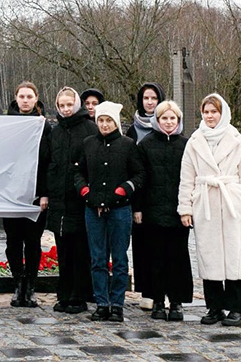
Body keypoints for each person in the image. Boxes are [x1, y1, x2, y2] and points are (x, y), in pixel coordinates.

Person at [178, 94, 241, 327]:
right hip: (205, 203)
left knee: (235, 256)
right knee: (209, 255)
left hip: (231, 201)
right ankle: (214, 306)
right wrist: (185, 208)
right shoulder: (194, 141)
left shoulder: (237, 140)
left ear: (223, 113)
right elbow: (187, 178)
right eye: (206, 112)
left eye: (214, 112)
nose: (210, 116)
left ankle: (237, 307)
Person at [76, 101, 144, 323]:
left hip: (119, 210)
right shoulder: (88, 144)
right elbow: (78, 173)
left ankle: (117, 304)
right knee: (98, 259)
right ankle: (102, 303)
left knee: (120, 259)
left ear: (115, 122)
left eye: (108, 121)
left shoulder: (128, 145)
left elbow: (139, 174)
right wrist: (85, 191)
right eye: (101, 121)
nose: (104, 125)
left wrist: (124, 189)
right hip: (93, 209)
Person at [134, 100, 193, 321]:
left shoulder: (186, 145)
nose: (168, 122)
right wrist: (138, 208)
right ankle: (158, 300)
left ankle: (176, 301)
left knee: (177, 258)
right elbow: (140, 179)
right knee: (155, 258)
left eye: (172, 118)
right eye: (164, 118)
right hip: (153, 211)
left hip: (178, 211)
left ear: (178, 120)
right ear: (157, 121)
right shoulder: (146, 145)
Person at [47, 87, 95, 314]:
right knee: (63, 249)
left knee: (80, 250)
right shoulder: (56, 132)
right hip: (59, 199)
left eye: (69, 105)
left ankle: (79, 295)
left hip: (80, 199)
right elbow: (50, 163)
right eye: (62, 105)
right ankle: (64, 294)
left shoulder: (89, 128)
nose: (66, 109)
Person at [4, 81, 52, 308]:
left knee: (32, 242)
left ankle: (30, 286)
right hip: (11, 193)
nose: (25, 100)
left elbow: (47, 162)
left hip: (35, 194)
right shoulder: (5, 124)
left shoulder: (45, 127)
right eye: (21, 96)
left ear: (36, 99)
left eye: (29, 96)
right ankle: (17, 284)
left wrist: (44, 193)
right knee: (13, 242)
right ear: (16, 98)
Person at [125, 82, 164, 309]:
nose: (150, 102)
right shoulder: (133, 129)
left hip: (161, 193)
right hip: (140, 194)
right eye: (146, 98)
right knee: (142, 246)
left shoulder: (170, 124)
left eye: (154, 98)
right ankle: (147, 291)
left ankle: (162, 289)